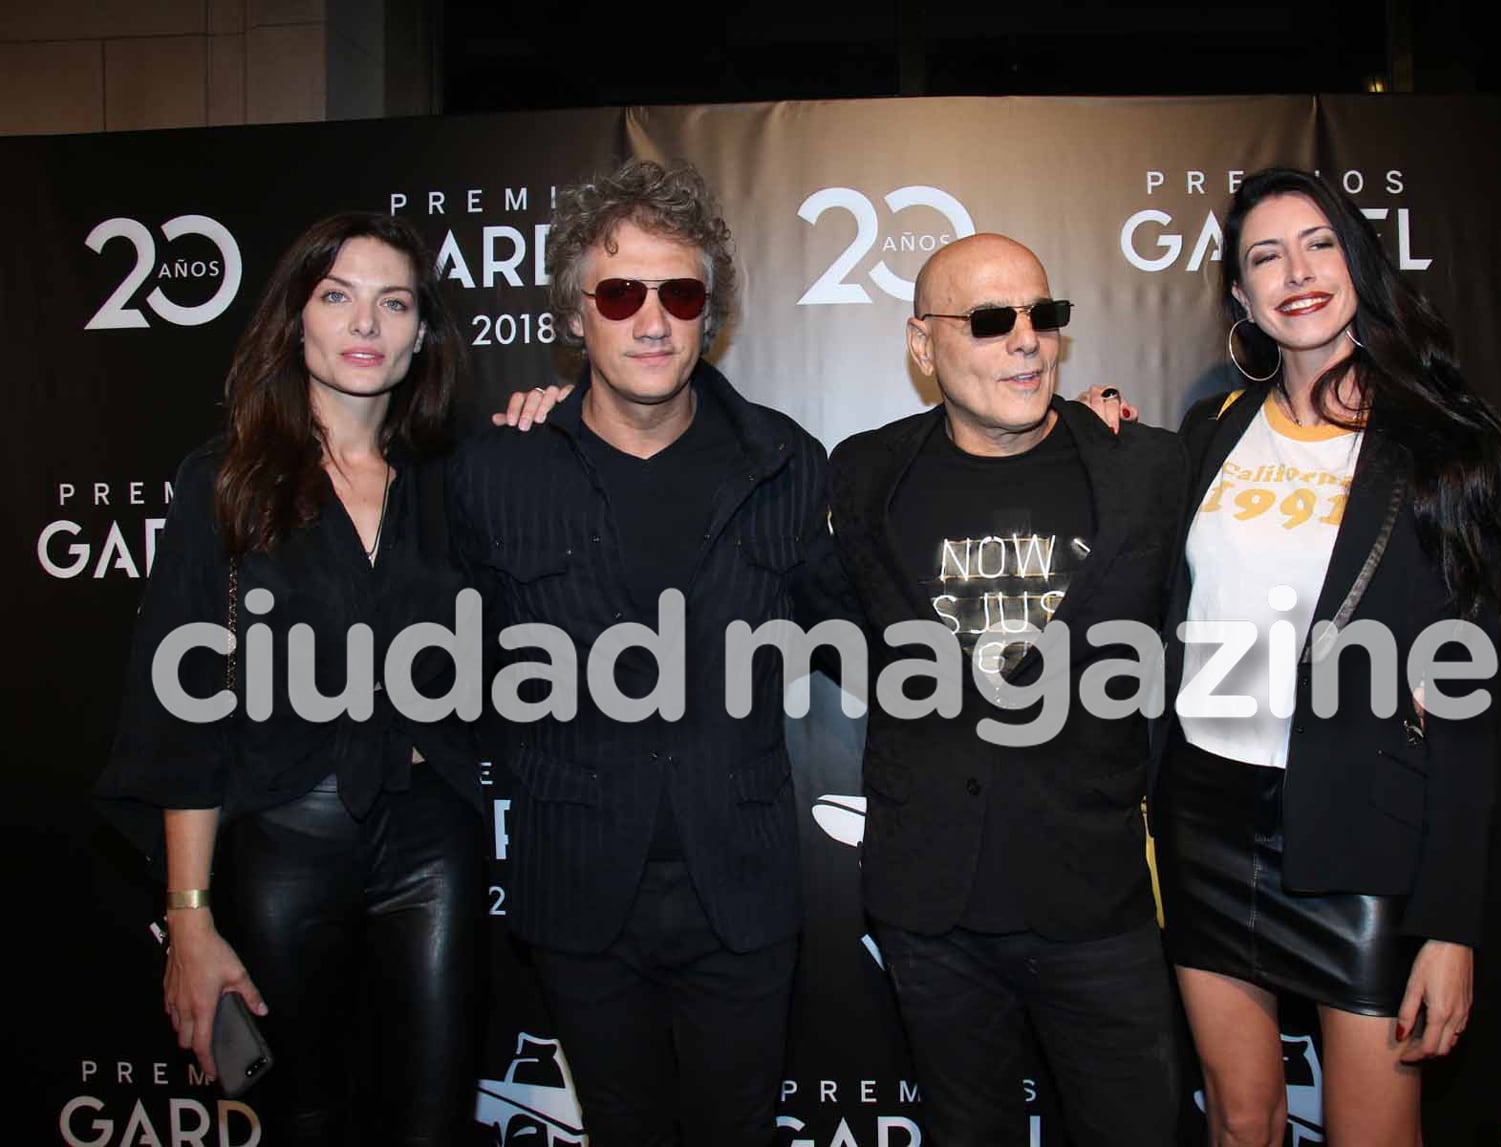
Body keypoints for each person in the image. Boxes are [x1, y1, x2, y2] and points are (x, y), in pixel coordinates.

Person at [1136, 166, 1501, 1146]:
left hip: (1360, 829)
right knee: (1239, 1120)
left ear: (1358, 261)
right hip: (1204, 815)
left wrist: (1451, 925)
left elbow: (1464, 707)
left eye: (1317, 244)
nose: (1295, 272)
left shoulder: (1440, 447)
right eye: (1265, 256)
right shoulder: (1213, 435)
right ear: (1240, 298)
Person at [451, 158, 828, 1145]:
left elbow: (879, 616)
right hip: (578, 887)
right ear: (575, 316)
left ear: (713, 313)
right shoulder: (497, 472)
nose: (651, 318)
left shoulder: (787, 463)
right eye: (619, 292)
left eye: (680, 291)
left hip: (739, 887)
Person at [95, 212, 485, 1145]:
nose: (365, 325)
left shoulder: (455, 483)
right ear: (296, 320)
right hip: (282, 840)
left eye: (392, 303)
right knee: (301, 1121)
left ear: (420, 332)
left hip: (431, 835)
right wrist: (189, 917)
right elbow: (178, 721)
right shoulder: (226, 482)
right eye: (337, 297)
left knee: (433, 1119)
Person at [805, 232, 1186, 1145]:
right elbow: (823, 616)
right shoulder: (863, 472)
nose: (1026, 340)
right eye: (988, 320)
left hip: (1095, 900)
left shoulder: (1146, 466)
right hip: (931, 909)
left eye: (1042, 315)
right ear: (920, 344)